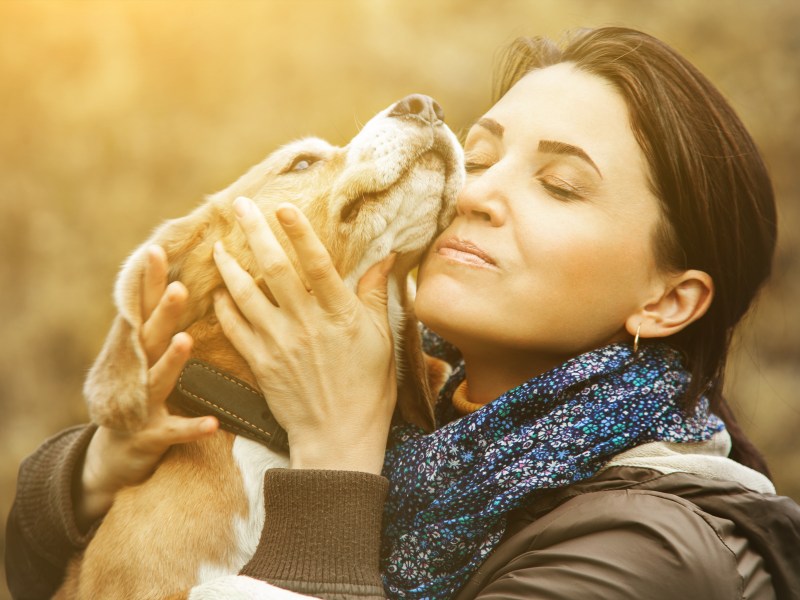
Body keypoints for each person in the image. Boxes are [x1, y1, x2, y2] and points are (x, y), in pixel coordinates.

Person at [6, 26, 800, 600]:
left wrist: (339, 454)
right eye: (480, 157)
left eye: (559, 186)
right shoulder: (424, 436)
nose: (478, 192)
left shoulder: (652, 554)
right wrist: (95, 472)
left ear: (669, 302)